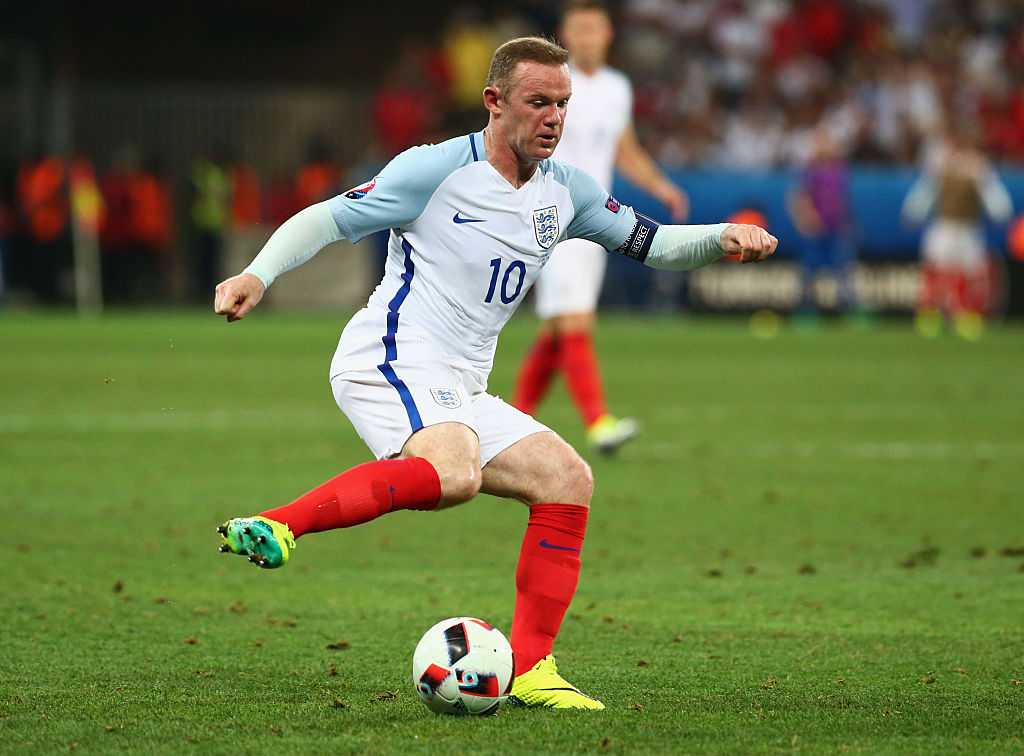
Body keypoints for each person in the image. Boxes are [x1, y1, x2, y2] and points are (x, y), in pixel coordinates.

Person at [213, 36, 775, 710]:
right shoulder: (434, 170)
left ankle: (534, 669)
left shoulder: (568, 192)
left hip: (459, 381)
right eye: (539, 102)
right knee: (454, 472)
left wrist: (720, 238)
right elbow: (332, 218)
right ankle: (278, 524)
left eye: (563, 104)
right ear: (494, 102)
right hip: (391, 353)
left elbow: (653, 245)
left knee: (566, 479)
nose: (554, 118)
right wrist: (257, 273)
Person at [511, 0, 689, 454]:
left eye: (595, 29)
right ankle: (598, 422)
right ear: (565, 36)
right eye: (579, 29)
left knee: (557, 327)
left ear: (608, 35)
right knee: (574, 320)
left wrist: (661, 186)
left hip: (596, 217)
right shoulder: (547, 83)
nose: (588, 37)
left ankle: (511, 420)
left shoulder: (616, 87)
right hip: (551, 213)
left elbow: (623, 150)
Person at [901, 120, 1013, 340]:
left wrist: (1000, 212)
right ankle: (929, 315)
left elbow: (993, 196)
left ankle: (965, 316)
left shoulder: (979, 167)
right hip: (945, 226)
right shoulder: (942, 163)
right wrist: (914, 212)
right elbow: (927, 192)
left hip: (969, 228)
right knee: (937, 270)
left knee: (969, 273)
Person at [785, 123, 860, 323]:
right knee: (809, 272)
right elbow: (798, 197)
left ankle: (850, 310)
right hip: (816, 230)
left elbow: (843, 199)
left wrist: (847, 222)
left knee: (843, 270)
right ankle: (805, 312)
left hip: (836, 228)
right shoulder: (810, 170)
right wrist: (806, 219)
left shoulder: (839, 169)